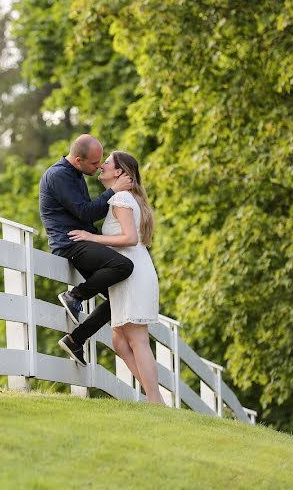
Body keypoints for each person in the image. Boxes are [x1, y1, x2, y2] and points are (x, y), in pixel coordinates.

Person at [67, 151, 165, 404]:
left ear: (120, 172)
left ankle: (156, 401)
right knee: (120, 340)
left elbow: (130, 239)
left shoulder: (121, 197)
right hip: (130, 274)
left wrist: (92, 237)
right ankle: (154, 396)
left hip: (134, 275)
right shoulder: (125, 197)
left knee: (136, 338)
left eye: (107, 164)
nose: (101, 167)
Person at [39, 135, 134, 366]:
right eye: (94, 163)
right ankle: (74, 296)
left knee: (118, 300)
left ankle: (75, 340)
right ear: (79, 159)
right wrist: (114, 190)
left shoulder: (76, 173)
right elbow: (85, 212)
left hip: (82, 242)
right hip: (70, 243)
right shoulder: (58, 175)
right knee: (123, 266)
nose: (99, 166)